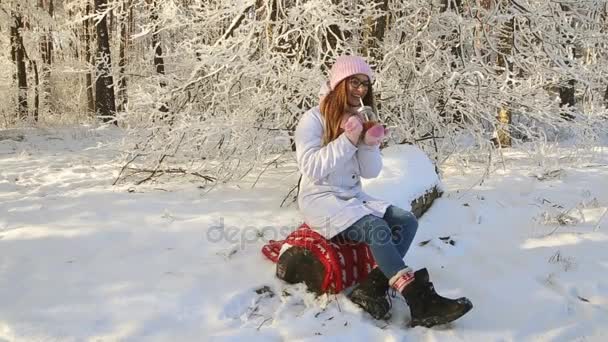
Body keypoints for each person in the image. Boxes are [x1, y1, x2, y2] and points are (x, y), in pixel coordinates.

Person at [294, 55, 472, 327]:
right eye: (354, 81)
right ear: (339, 83)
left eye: (365, 84)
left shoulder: (356, 117)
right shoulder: (313, 119)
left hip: (352, 197)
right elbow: (311, 167)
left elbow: (369, 172)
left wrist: (369, 144)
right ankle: (418, 300)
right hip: (321, 199)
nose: (361, 89)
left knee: (406, 221)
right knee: (377, 228)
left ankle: (372, 288)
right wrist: (347, 139)